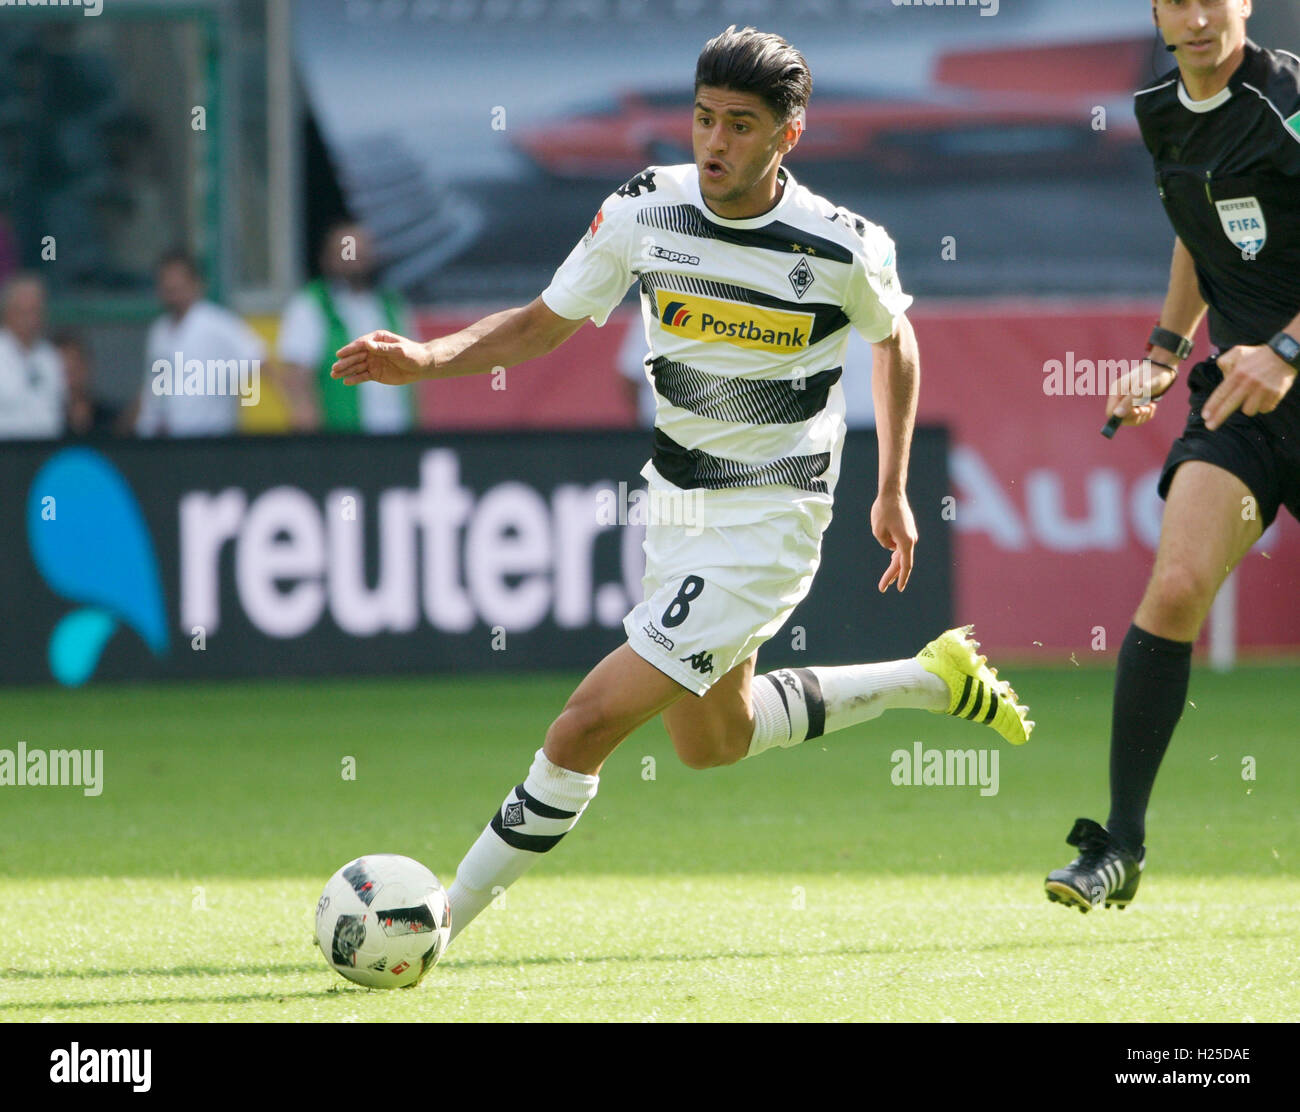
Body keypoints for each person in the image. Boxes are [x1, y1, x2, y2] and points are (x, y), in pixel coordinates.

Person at [333, 26, 1033, 947]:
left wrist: (891, 485)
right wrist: (428, 357)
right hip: (675, 500)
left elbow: (895, 340)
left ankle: (443, 917)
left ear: (790, 134)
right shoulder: (643, 209)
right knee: (715, 742)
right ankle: (927, 677)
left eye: (741, 126)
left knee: (585, 724)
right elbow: (544, 324)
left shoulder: (840, 246)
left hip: (772, 516)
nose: (713, 143)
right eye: (704, 119)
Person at [1045, 0, 1300, 912]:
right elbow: (1199, 234)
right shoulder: (1158, 111)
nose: (1195, 16)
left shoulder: (1288, 100)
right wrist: (1162, 354)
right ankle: (1118, 845)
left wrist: (1291, 349)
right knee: (1178, 584)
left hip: (1288, 371)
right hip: (1243, 406)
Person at [278, 221, 415, 433]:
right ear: (327, 258)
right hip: (341, 440)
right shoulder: (311, 305)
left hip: (394, 437)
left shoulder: (391, 306)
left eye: (362, 251)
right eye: (347, 251)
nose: (355, 258)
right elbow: (297, 377)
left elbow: (415, 373)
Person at [130, 250, 266, 438]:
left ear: (195, 284)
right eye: (166, 282)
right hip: (163, 442)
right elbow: (152, 389)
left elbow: (258, 357)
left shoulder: (217, 322)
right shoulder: (159, 331)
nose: (172, 288)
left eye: (178, 282)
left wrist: (297, 406)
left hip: (210, 441)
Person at [0, 273, 65, 439]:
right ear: (7, 312)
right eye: (24, 312)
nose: (31, 319)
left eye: (36, 311)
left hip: (46, 453)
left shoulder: (50, 357)